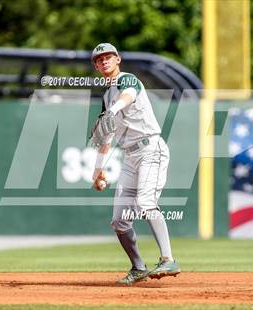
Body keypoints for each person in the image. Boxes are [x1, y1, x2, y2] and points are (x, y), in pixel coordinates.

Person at [90, 43, 180, 285]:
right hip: (130, 156)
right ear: (96, 66)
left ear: (117, 59)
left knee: (145, 202)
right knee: (119, 221)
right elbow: (106, 138)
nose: (104, 61)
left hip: (151, 148)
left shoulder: (128, 79)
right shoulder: (107, 97)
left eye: (108, 56)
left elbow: (128, 96)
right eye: (99, 59)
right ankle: (138, 268)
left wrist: (114, 109)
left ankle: (168, 258)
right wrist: (97, 172)